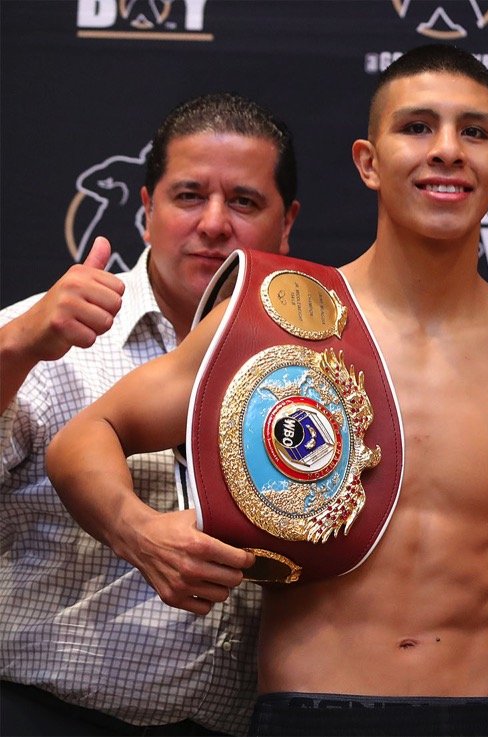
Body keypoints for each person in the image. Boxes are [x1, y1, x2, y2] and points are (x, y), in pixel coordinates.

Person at [47, 44, 488, 737]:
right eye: (417, 127)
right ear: (368, 161)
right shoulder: (276, 316)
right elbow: (82, 437)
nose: (447, 149)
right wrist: (141, 532)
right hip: (308, 711)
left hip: (481, 712)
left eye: (473, 131)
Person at [0, 92, 300, 736]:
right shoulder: (44, 334)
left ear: (287, 223)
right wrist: (15, 348)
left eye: (244, 201)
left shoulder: (311, 370)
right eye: (189, 196)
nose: (215, 224)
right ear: (146, 211)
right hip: (42, 714)